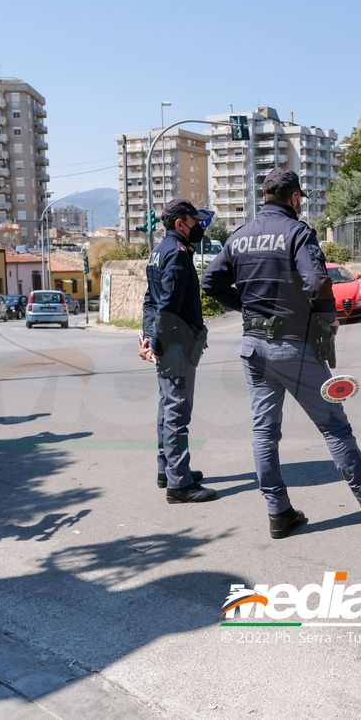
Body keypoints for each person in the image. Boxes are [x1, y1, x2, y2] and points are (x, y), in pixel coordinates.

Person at [202, 168, 361, 539]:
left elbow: (210, 282)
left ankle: (278, 512)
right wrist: (326, 320)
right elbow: (317, 281)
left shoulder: (239, 236)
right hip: (292, 344)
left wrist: (247, 307)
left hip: (253, 345)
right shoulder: (297, 232)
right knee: (333, 424)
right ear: (294, 198)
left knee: (264, 432)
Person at [139, 198, 216, 504]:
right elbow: (168, 305)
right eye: (194, 220)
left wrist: (148, 337)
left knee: (167, 407)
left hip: (165, 342)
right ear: (180, 223)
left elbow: (150, 301)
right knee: (177, 412)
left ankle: (167, 469)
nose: (199, 225)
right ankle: (179, 483)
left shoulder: (159, 251)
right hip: (176, 344)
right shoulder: (178, 253)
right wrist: (156, 343)